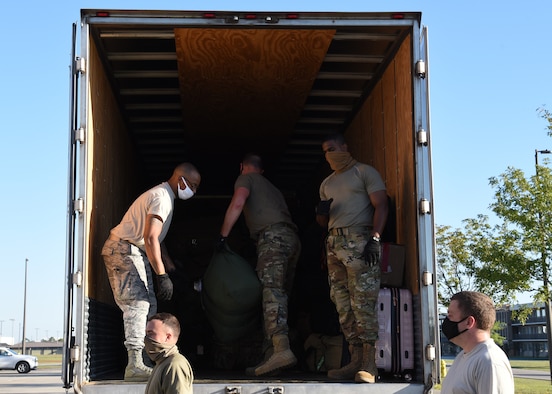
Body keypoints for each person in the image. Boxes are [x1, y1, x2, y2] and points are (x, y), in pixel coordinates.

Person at [101, 163, 201, 381]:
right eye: (191, 185)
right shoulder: (162, 198)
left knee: (151, 305)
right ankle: (134, 364)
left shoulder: (166, 198)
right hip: (124, 250)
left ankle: (145, 360)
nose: (193, 191)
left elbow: (158, 240)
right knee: (138, 304)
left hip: (135, 252)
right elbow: (150, 237)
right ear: (180, 179)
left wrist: (171, 269)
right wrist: (162, 275)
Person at [217, 153, 301, 376]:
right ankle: (270, 356)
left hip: (272, 238)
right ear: (262, 170)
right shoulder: (271, 187)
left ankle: (281, 348)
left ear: (242, 166)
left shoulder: (246, 179)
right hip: (291, 239)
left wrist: (223, 236)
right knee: (280, 295)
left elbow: (238, 202)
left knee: (271, 295)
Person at [315, 133, 388, 384]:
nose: (330, 154)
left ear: (345, 147)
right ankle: (355, 360)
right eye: (325, 151)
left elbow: (381, 205)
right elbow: (323, 223)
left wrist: (376, 238)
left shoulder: (364, 172)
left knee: (362, 303)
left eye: (333, 148)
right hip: (334, 243)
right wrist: (321, 214)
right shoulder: (326, 183)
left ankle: (370, 365)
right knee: (342, 304)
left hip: (360, 240)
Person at [440, 291, 514, 394]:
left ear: (469, 322)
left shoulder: (489, 361)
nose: (446, 321)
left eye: (450, 315)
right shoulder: (462, 356)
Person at [144, 312, 194, 394]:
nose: (146, 338)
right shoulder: (161, 362)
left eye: (151, 333)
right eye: (146, 333)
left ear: (168, 337)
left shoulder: (175, 365)